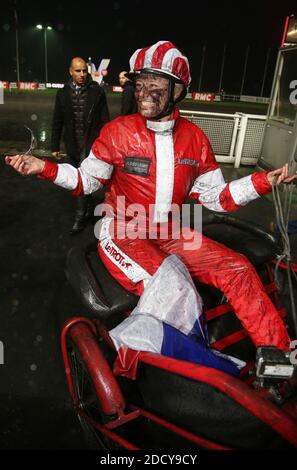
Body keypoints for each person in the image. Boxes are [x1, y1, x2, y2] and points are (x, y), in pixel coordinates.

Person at [5, 40, 297, 356]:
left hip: (169, 231)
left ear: (177, 90)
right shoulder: (118, 131)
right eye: (140, 81)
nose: (144, 90)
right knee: (177, 291)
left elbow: (217, 198)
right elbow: (86, 181)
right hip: (122, 233)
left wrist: (261, 181)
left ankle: (278, 356)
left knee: (237, 268)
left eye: (154, 82)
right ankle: (189, 375)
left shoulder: (195, 139)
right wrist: (44, 167)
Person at [51, 57, 110, 235]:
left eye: (84, 70)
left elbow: (105, 121)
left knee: (84, 180)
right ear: (70, 71)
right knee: (79, 180)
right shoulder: (62, 94)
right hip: (73, 146)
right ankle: (88, 206)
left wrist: (106, 145)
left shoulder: (98, 92)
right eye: (78, 71)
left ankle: (79, 217)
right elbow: (57, 121)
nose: (82, 74)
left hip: (91, 146)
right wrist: (54, 146)